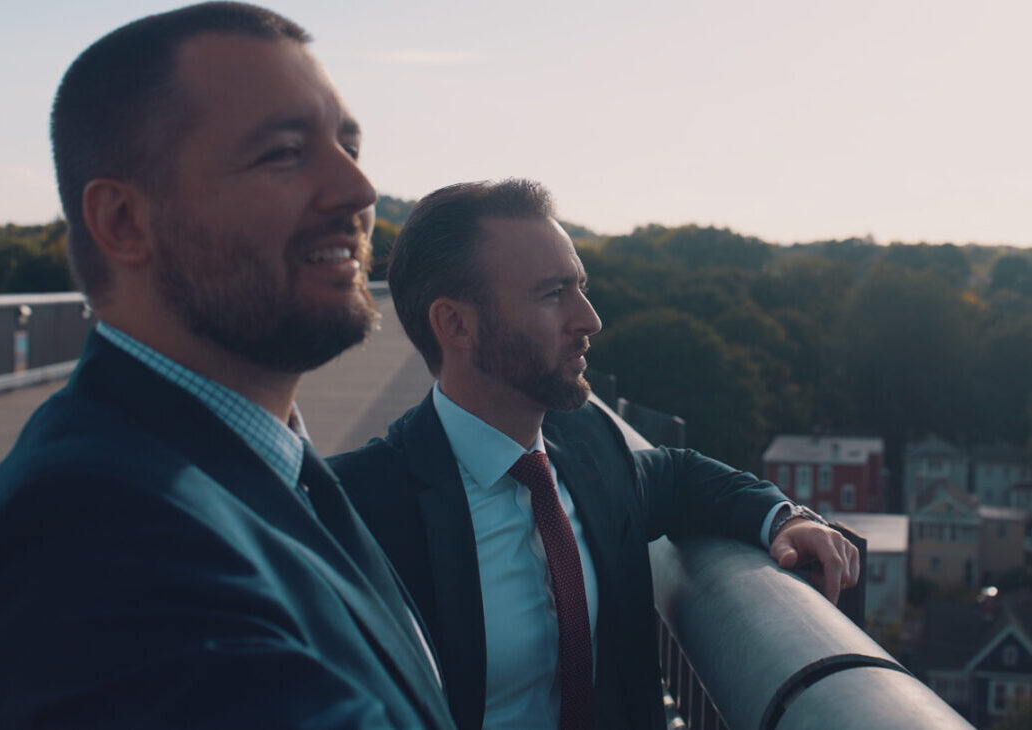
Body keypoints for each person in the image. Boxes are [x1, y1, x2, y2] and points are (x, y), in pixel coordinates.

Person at [0, 4, 455, 729]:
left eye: (347, 143)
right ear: (124, 223)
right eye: (283, 152)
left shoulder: (258, 465)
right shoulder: (96, 532)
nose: (358, 190)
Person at [327, 179, 861, 730]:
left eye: (579, 286)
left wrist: (781, 518)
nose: (589, 320)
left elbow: (679, 476)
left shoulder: (592, 445)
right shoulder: (353, 511)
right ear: (456, 324)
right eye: (553, 294)